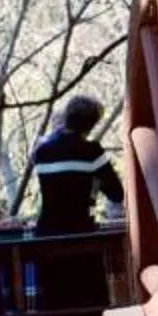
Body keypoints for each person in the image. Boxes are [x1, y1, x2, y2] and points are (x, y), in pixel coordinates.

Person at [31, 96, 125, 235]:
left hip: (46, 232)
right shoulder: (92, 152)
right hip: (81, 231)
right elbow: (116, 193)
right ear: (92, 125)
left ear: (67, 117)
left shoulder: (42, 152)